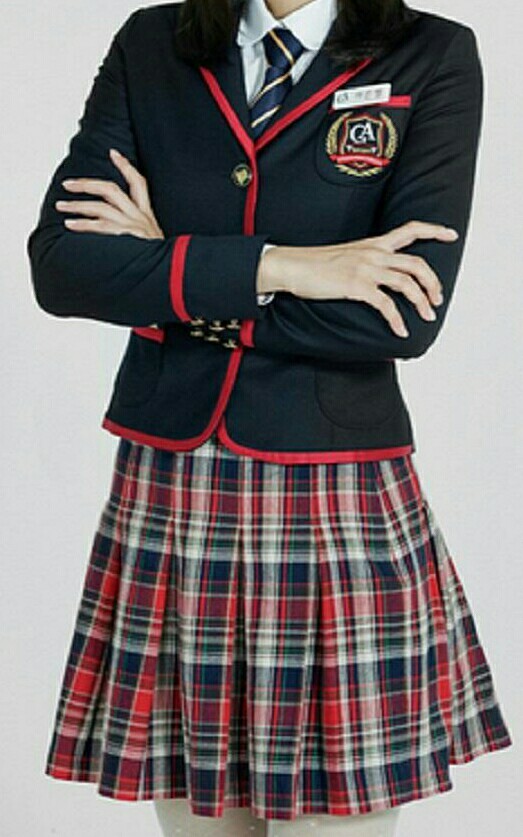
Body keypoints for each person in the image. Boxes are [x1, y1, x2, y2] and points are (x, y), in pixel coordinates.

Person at [27, 1, 513, 835]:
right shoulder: (153, 42)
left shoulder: (431, 54)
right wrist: (285, 266)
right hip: (172, 493)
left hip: (334, 499)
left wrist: (169, 271)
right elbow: (65, 266)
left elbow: (401, 315)